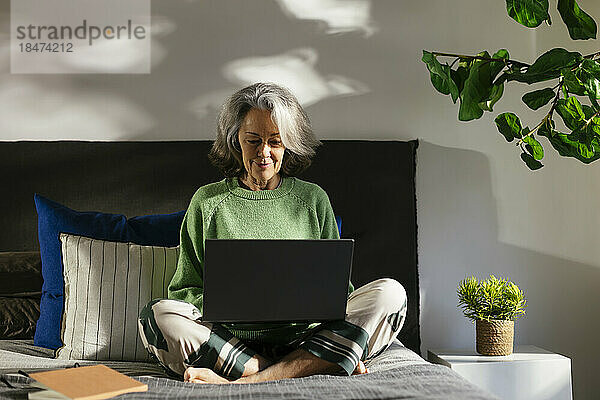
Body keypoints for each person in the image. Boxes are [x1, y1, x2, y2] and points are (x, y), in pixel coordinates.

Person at [138, 82, 407, 384]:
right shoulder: (208, 202)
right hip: (232, 344)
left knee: (391, 295)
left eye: (275, 142)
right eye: (252, 140)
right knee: (157, 317)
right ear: (235, 141)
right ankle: (312, 366)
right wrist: (227, 305)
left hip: (307, 338)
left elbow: (339, 294)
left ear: (289, 144)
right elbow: (185, 290)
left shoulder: (313, 199)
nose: (263, 152)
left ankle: (247, 380)